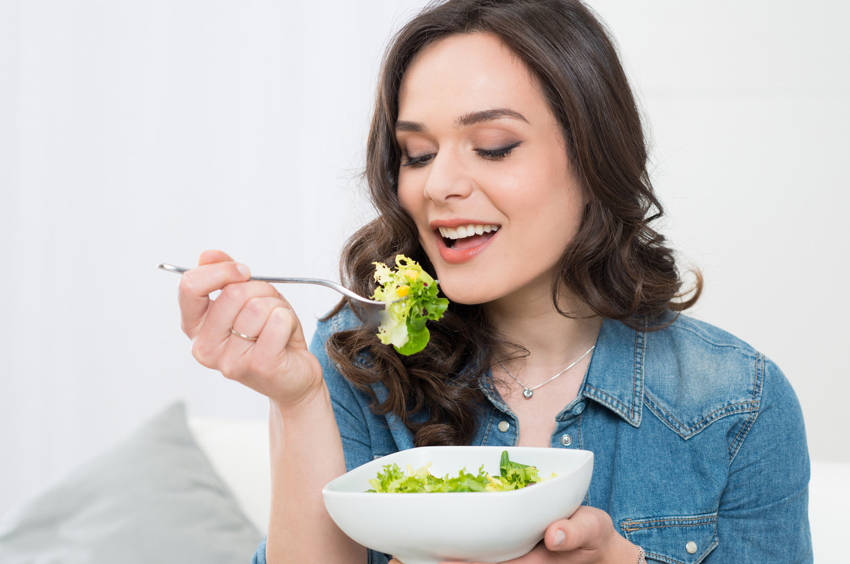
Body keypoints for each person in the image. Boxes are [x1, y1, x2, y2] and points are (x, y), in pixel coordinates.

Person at [176, 0, 812, 562]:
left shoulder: (737, 402)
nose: (439, 186)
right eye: (417, 154)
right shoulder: (356, 359)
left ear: (594, 157)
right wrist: (296, 401)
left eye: (494, 145)